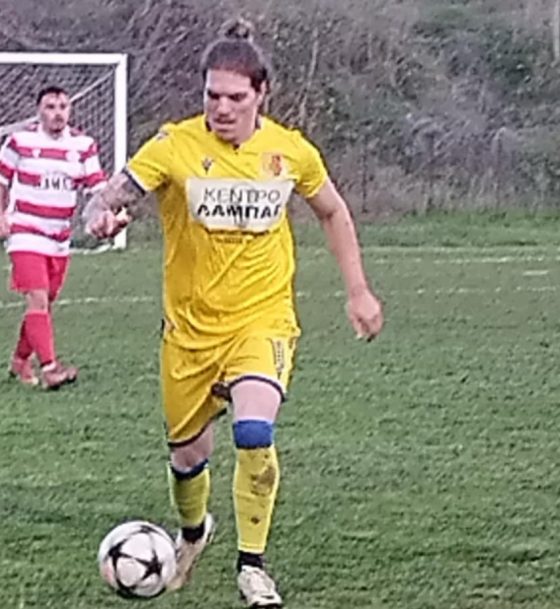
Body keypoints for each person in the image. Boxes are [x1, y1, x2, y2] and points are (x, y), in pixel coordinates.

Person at [83, 19, 383, 608]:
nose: (221, 108)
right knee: (187, 456)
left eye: (235, 97)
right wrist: (100, 213)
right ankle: (194, 533)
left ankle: (252, 566)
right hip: (189, 330)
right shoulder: (173, 145)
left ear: (261, 94)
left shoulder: (290, 151)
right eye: (212, 95)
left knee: (253, 431)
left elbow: (332, 211)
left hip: (262, 319)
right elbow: (114, 192)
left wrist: (358, 290)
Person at [0, 85, 105, 389]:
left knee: (44, 303)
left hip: (59, 237)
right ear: (39, 111)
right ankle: (50, 369)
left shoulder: (83, 145)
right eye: (50, 107)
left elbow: (97, 187)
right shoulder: (20, 141)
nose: (58, 113)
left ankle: (20, 360)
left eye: (62, 107)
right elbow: (2, 181)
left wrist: (109, 214)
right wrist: (2, 215)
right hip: (25, 232)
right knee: (37, 297)